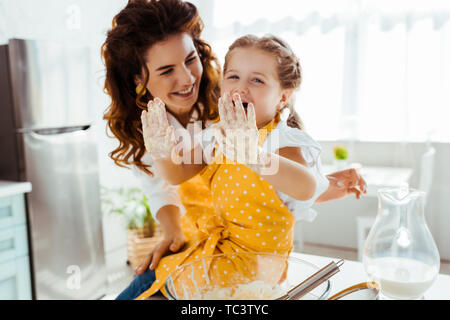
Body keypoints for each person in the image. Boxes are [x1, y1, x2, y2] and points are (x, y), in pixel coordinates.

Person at [101, 0, 367, 300]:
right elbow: (173, 177)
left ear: (284, 97)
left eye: (191, 59)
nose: (188, 78)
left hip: (249, 271)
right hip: (205, 250)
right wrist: (162, 151)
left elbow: (302, 188)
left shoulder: (273, 134)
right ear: (138, 78)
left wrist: (256, 157)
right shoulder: (214, 134)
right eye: (166, 70)